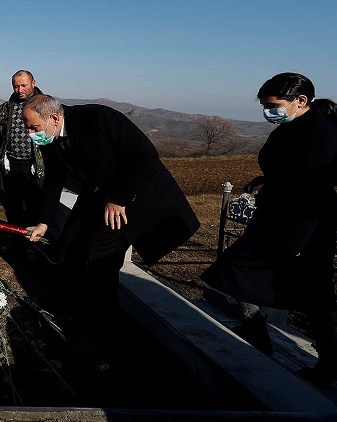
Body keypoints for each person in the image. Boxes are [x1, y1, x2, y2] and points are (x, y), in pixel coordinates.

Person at [201, 72, 337, 385]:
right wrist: (266, 182)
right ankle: (261, 331)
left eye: (273, 105)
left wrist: (297, 241)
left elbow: (312, 187)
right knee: (309, 289)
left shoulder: (322, 134)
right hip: (279, 216)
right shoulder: (290, 127)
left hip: (304, 224)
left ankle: (323, 355)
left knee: (308, 289)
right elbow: (285, 171)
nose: (267, 112)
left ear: (300, 101)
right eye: (264, 105)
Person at [22, 94, 200, 333]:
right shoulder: (52, 137)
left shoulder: (99, 118)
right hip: (96, 196)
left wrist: (118, 199)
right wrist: (44, 222)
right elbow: (54, 178)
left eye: (34, 127)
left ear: (54, 118)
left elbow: (144, 155)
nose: (32, 134)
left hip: (129, 198)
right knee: (68, 247)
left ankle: (105, 326)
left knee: (100, 260)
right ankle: (66, 310)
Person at [0, 70, 45, 253]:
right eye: (16, 86)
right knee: (13, 207)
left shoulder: (46, 106)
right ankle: (15, 241)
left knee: (34, 208)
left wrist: (43, 161)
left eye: (24, 85)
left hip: (35, 167)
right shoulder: (6, 108)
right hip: (12, 165)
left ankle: (32, 246)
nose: (19, 89)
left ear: (33, 83)